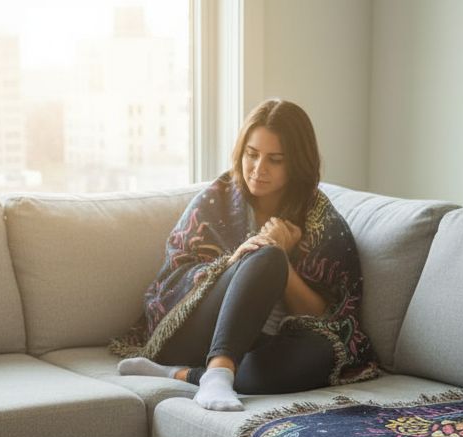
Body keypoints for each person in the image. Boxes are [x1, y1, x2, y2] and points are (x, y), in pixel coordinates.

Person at [110, 98, 378, 411]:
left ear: (297, 163)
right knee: (264, 256)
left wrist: (284, 265)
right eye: (252, 155)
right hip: (194, 335)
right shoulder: (216, 201)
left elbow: (325, 317)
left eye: (275, 160)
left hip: (262, 345)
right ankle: (219, 371)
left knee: (320, 355)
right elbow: (173, 281)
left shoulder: (322, 222)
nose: (258, 169)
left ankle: (192, 376)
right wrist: (235, 263)